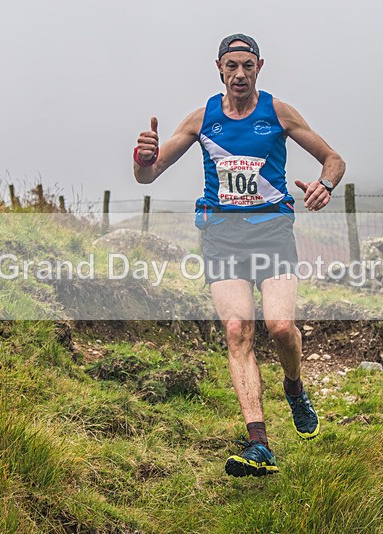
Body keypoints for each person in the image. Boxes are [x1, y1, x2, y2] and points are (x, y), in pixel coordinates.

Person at [133, 34, 345, 477]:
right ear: (219, 68)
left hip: (271, 230)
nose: (240, 74)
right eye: (232, 66)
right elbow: (148, 175)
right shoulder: (202, 118)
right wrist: (143, 157)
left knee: (280, 327)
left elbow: (333, 159)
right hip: (221, 234)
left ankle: (294, 388)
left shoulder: (278, 112)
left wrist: (325, 185)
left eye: (248, 65)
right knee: (236, 329)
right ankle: (259, 444)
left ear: (259, 67)